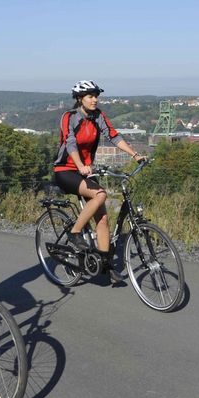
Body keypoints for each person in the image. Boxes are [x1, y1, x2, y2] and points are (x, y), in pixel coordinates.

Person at [53, 80, 145, 284]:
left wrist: (134, 154)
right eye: (90, 96)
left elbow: (113, 136)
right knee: (100, 194)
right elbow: (70, 142)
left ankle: (105, 265)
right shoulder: (70, 117)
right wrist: (79, 165)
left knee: (102, 219)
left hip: (86, 171)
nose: (94, 100)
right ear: (79, 99)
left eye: (96, 96)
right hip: (66, 170)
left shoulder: (98, 116)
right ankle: (75, 232)